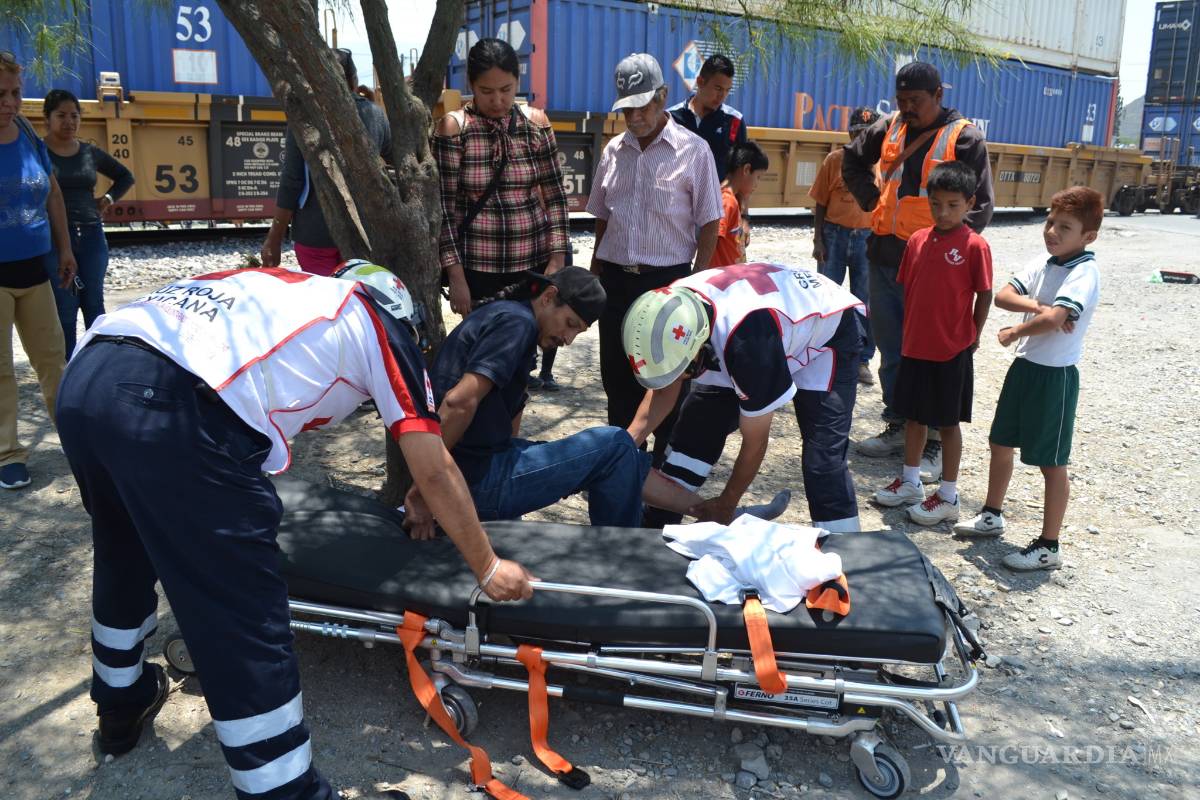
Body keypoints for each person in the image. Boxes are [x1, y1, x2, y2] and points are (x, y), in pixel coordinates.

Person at [57, 262, 534, 800]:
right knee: (241, 609)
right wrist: (489, 566)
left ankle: (120, 705)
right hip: (172, 404)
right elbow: (433, 463)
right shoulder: (379, 323)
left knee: (124, 548)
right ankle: (286, 792)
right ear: (404, 320)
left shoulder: (274, 287)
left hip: (88, 379)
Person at [418, 266, 769, 532]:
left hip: (477, 469)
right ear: (547, 296)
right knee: (615, 443)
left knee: (616, 454)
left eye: (577, 331)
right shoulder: (516, 324)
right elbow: (457, 404)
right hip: (467, 481)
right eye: (569, 323)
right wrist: (425, 492)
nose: (568, 339)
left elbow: (503, 424)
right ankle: (621, 560)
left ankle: (709, 510)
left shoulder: (511, 321)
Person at [623, 262, 866, 532]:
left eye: (686, 368)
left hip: (827, 332)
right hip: (761, 327)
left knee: (822, 459)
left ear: (700, 343)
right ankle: (654, 529)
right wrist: (621, 447)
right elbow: (663, 390)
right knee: (692, 436)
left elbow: (755, 442)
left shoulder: (747, 344)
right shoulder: (670, 306)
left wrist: (727, 503)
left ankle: (844, 545)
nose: (680, 379)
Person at [842, 62, 994, 483]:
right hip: (885, 258)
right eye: (901, 101)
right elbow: (851, 163)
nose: (907, 109)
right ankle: (899, 424)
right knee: (894, 352)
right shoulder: (888, 127)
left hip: (935, 270)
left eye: (917, 102)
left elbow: (979, 204)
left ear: (938, 97)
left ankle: (933, 444)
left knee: (936, 354)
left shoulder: (964, 137)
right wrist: (872, 201)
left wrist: (951, 259)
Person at [955, 187, 1104, 572]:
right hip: (1025, 370)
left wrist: (1015, 332)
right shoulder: (1046, 261)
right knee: (999, 442)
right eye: (1050, 222)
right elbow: (1004, 295)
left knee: (1051, 462)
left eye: (1064, 227)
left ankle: (1049, 545)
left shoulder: (1084, 272)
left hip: (1054, 378)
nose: (1052, 231)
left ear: (1088, 236)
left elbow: (1058, 320)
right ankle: (992, 514)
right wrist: (1037, 306)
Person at [587, 52, 723, 465]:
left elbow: (709, 225)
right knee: (618, 382)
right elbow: (602, 220)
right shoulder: (613, 152)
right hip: (616, 284)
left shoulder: (694, 152)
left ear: (663, 97)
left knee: (666, 384)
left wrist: (696, 290)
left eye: (642, 105)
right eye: (626, 107)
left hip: (668, 286)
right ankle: (623, 468)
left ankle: (665, 475)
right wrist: (595, 279)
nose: (634, 116)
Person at [434, 37, 570, 390]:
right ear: (470, 87)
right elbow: (444, 211)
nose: (498, 101)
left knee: (520, 364)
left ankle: (509, 440)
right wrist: (457, 276)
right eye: (486, 91)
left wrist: (556, 260)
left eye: (506, 90)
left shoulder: (536, 125)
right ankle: (478, 440)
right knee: (481, 365)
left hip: (532, 269)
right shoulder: (454, 129)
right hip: (478, 273)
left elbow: (556, 198)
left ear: (518, 82)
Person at [872, 162, 992, 525]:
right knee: (913, 417)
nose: (943, 212)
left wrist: (973, 335)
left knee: (948, 424)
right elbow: (910, 289)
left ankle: (949, 495)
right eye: (936, 204)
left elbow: (983, 294)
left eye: (953, 205)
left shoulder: (975, 246)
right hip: (915, 348)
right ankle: (910, 481)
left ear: (969, 203)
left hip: (951, 349)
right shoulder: (918, 241)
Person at [0, 51, 76, 490]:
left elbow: (53, 196)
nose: (9, 102)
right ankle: (8, 453)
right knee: (0, 372)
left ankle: (72, 433)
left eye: (15, 92)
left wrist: (65, 249)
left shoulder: (28, 133)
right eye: (0, 93)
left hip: (35, 273)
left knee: (53, 360)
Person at [262, 48, 393, 276]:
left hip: (314, 235)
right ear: (353, 80)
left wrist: (274, 237)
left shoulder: (304, 117)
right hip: (364, 234)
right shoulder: (375, 115)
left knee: (325, 303)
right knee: (355, 303)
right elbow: (392, 159)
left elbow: (292, 180)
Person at [42, 88, 134, 356]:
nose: (69, 122)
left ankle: (97, 366)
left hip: (92, 236)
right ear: (48, 118)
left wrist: (107, 198)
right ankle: (69, 371)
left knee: (94, 304)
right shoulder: (38, 150)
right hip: (55, 240)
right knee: (65, 309)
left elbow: (125, 177)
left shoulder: (89, 153)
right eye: (61, 115)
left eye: (74, 116)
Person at [810, 105, 879, 385]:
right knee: (827, 296)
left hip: (867, 237)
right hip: (835, 235)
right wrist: (818, 239)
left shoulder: (881, 164)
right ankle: (822, 353)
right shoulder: (834, 160)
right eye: (857, 133)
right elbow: (820, 202)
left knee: (864, 301)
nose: (861, 138)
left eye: (867, 133)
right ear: (849, 132)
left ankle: (862, 359)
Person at [668, 54, 747, 181]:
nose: (722, 96)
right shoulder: (671, 118)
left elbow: (742, 173)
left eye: (727, 90)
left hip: (718, 199)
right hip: (678, 199)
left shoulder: (734, 122)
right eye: (718, 88)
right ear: (700, 82)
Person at [711, 141, 768, 268]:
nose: (757, 184)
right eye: (758, 177)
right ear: (747, 170)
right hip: (722, 279)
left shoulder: (731, 198)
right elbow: (711, 239)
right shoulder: (727, 201)